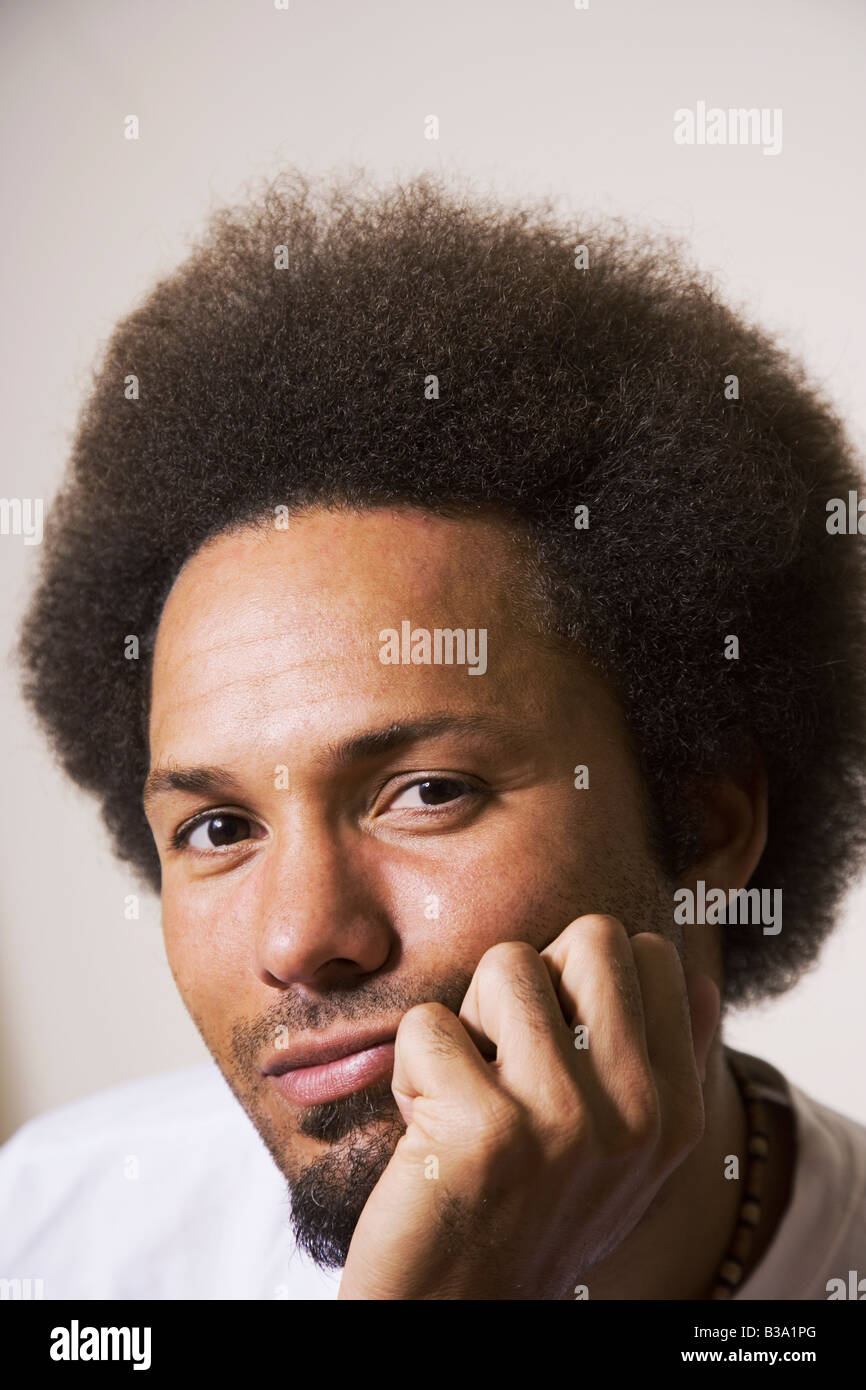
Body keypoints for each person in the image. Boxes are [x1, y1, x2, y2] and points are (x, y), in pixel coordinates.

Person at [2, 169, 866, 1301]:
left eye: (425, 791)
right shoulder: (59, 1235)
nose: (303, 936)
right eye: (217, 825)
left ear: (702, 824)